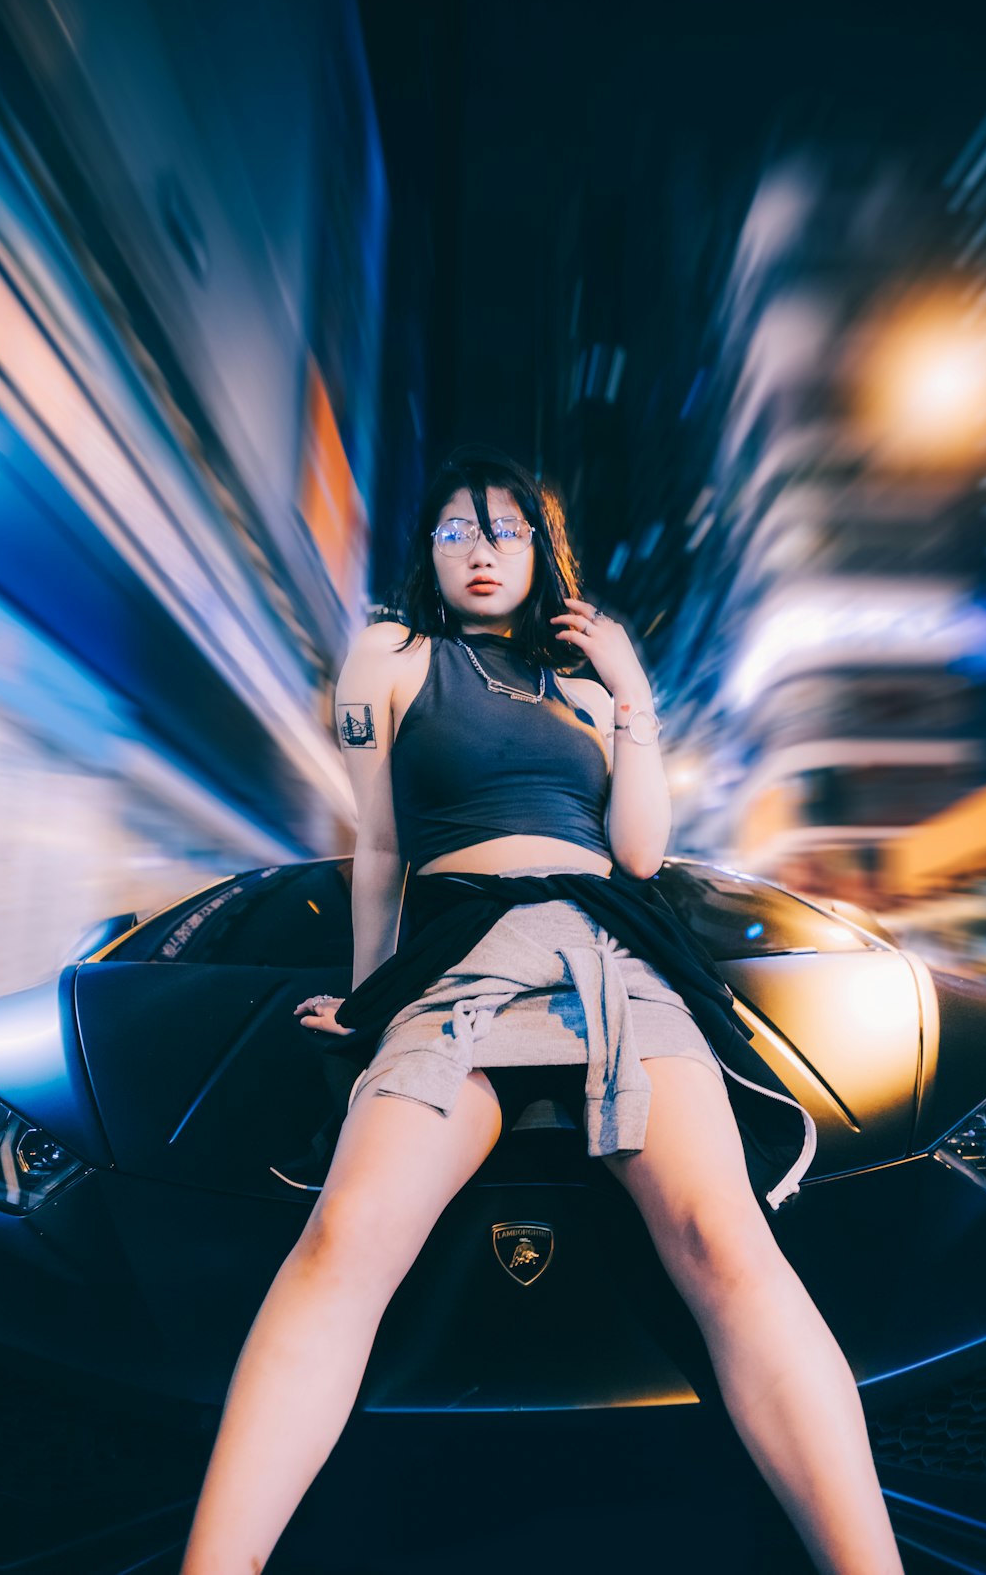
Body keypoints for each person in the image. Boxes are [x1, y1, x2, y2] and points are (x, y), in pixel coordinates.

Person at [179, 446, 905, 1575]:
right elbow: (377, 849)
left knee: (726, 1244)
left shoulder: (583, 688)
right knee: (345, 1241)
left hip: (614, 948)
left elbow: (643, 852)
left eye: (506, 530)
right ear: (428, 552)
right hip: (461, 957)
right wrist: (374, 1003)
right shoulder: (392, 656)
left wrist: (633, 695)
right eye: (457, 530)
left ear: (540, 551)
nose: (480, 550)